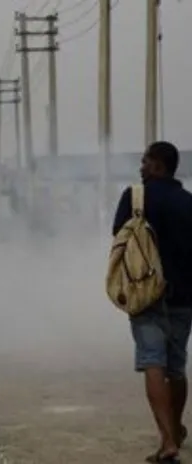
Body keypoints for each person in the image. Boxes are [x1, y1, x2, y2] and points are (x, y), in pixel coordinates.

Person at [112, 141, 192, 463]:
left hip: (146, 297)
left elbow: (119, 239)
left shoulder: (135, 197)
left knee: (152, 363)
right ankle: (176, 426)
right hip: (185, 297)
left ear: (158, 165)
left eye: (145, 161)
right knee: (176, 367)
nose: (141, 167)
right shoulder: (189, 202)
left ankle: (168, 441)